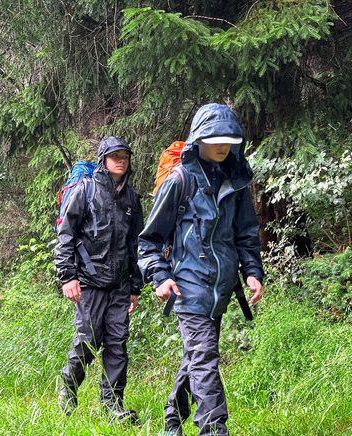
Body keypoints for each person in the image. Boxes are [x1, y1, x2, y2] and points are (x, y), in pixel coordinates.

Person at [137, 103, 264, 435]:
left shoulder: (235, 181)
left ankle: (172, 420)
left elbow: (246, 232)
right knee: (206, 363)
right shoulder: (180, 181)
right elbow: (149, 241)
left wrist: (252, 271)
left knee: (197, 360)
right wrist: (160, 276)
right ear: (199, 139)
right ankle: (213, 430)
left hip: (220, 290)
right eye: (214, 138)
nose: (222, 146)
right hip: (189, 287)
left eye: (228, 139)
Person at [54, 136, 144, 422]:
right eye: (115, 155)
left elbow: (135, 244)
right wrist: (68, 276)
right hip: (90, 282)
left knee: (118, 344)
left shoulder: (132, 199)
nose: (121, 160)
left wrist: (134, 286)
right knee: (88, 341)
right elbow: (66, 236)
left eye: (125, 156)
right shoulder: (86, 190)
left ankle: (112, 405)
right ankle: (68, 387)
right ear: (103, 160)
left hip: (119, 286)